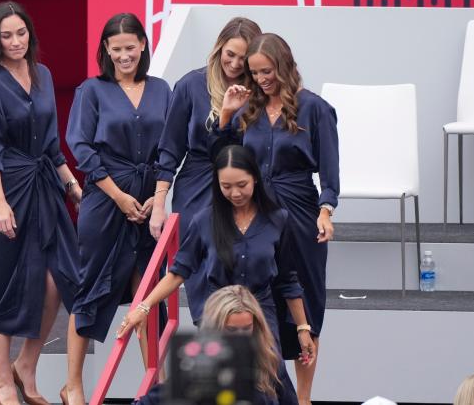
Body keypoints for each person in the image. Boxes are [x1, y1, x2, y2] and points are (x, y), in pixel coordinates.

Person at [119, 145, 314, 405]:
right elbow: (179, 271)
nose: (235, 193)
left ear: (255, 178)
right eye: (226, 186)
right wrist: (144, 307)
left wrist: (303, 328)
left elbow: (288, 279)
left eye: (242, 185)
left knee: (271, 377)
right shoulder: (204, 220)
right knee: (209, 382)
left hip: (258, 315)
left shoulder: (278, 220)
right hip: (219, 315)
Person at [215, 33, 339, 405]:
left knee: (306, 306)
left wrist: (326, 211)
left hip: (300, 212)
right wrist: (226, 115)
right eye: (255, 73)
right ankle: (262, 394)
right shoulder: (248, 109)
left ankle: (303, 399)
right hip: (257, 213)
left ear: (283, 65)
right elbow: (224, 160)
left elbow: (330, 174)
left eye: (266, 71)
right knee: (259, 299)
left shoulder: (315, 108)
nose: (261, 79)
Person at [0, 1, 83, 405]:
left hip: (45, 188)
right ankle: (2, 380)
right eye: (7, 36)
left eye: (21, 33)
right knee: (4, 286)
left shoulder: (43, 74)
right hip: (6, 188)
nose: (16, 41)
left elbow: (51, 144)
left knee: (58, 280)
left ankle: (26, 365)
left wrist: (72, 185)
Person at [63, 13, 172, 405]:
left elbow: (171, 146)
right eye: (116, 49)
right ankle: (73, 385)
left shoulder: (161, 89)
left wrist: (157, 197)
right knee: (90, 288)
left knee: (149, 295)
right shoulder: (91, 90)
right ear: (106, 50)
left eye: (130, 47)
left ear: (142, 44)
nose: (124, 55)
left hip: (150, 206)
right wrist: (119, 196)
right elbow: (80, 146)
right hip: (105, 203)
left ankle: (157, 388)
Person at [151, 17, 262, 241]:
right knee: (192, 253)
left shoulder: (259, 90)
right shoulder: (191, 85)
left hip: (243, 188)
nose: (235, 63)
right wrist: (158, 206)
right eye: (230, 54)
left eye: (243, 58)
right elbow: (170, 149)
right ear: (219, 47)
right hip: (196, 183)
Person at [131, 285, 290, 405]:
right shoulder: (196, 367)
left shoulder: (269, 361)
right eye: (231, 330)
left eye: (247, 328)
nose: (240, 337)